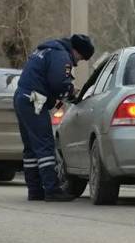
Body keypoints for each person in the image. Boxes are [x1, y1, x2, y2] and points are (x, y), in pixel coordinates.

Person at [14, 34, 94, 201]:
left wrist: (60, 97)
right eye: (80, 58)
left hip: (23, 98)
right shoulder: (61, 55)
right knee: (45, 146)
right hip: (34, 100)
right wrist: (71, 92)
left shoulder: (47, 50)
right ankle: (52, 189)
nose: (77, 63)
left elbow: (47, 83)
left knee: (31, 148)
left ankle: (35, 190)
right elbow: (58, 83)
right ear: (77, 51)